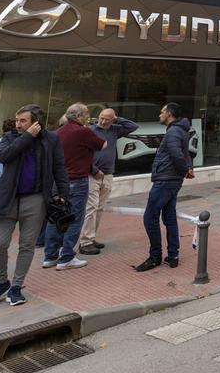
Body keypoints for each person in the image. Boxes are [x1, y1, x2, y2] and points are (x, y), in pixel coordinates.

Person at [0, 104, 70, 308]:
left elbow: (59, 167)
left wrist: (64, 194)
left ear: (36, 122)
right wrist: (26, 136)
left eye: (23, 120)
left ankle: (17, 287)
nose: (18, 124)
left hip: (36, 198)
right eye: (17, 120)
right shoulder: (10, 138)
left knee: (27, 245)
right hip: (6, 199)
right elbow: (3, 156)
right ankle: (1, 283)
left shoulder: (52, 139)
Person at [42, 103, 105, 270]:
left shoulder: (58, 132)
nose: (88, 117)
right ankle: (67, 257)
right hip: (77, 180)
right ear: (78, 116)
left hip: (58, 181)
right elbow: (102, 145)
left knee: (56, 217)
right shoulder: (82, 131)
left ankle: (50, 256)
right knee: (75, 218)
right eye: (86, 114)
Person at [135, 103, 194, 272]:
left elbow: (177, 153)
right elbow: (186, 152)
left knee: (150, 217)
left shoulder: (174, 131)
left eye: (162, 112)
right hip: (172, 179)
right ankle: (173, 256)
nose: (159, 115)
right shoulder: (181, 130)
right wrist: (187, 170)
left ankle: (155, 256)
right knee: (169, 217)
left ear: (169, 114)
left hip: (166, 180)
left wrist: (184, 170)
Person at [79, 108, 138, 255]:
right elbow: (83, 153)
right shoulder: (90, 130)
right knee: (91, 207)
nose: (103, 121)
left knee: (99, 208)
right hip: (92, 174)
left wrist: (117, 119)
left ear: (113, 120)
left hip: (108, 174)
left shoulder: (115, 130)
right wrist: (93, 170)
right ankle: (85, 241)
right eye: (101, 118)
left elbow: (133, 126)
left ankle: (91, 238)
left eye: (107, 119)